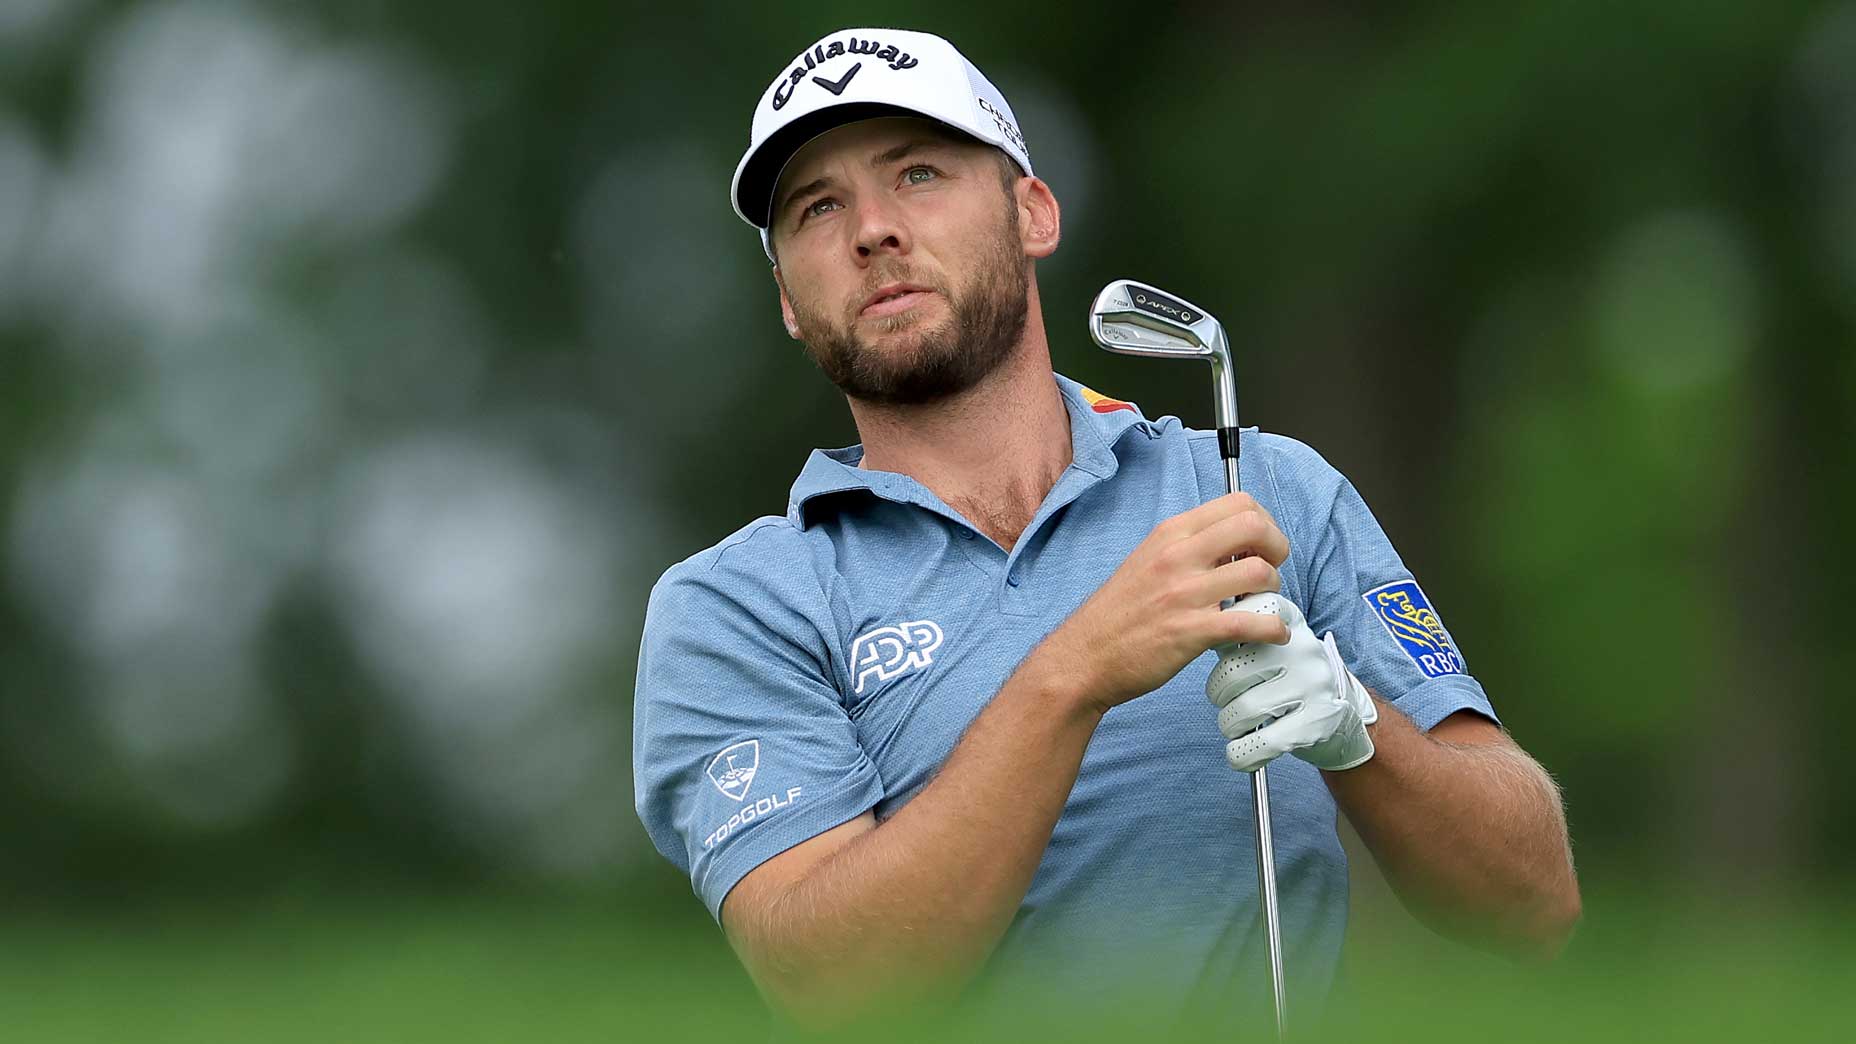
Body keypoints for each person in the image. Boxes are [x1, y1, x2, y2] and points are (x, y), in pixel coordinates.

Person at [632, 26, 1580, 1033]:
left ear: (1031, 213)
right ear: (786, 295)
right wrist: (1073, 669)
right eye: (816, 206)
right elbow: (833, 990)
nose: (871, 229)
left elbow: (1533, 905)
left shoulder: (1259, 488)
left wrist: (1361, 728)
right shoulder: (736, 604)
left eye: (917, 173)